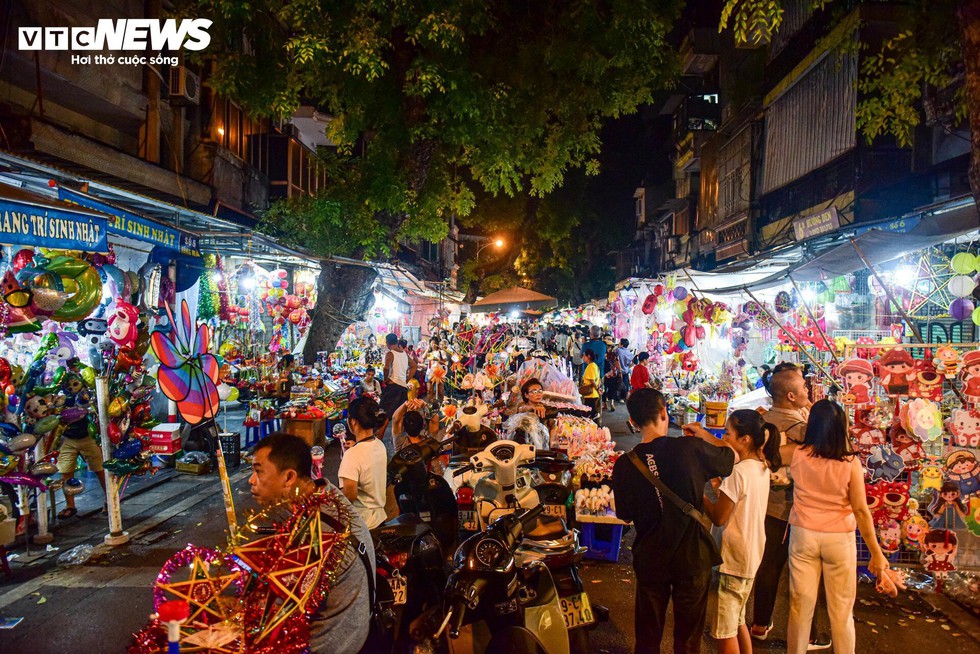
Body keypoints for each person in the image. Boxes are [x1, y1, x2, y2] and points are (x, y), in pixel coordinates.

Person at [613, 388, 736, 654]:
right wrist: (703, 434)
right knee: (688, 641)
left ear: (632, 421)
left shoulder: (625, 465)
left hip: (651, 556)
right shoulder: (690, 447)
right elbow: (729, 459)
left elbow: (624, 514)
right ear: (663, 413)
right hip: (692, 557)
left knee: (647, 638)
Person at [249, 432, 373, 654]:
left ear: (289, 477)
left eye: (258, 471)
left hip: (327, 643)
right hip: (352, 627)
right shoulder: (326, 493)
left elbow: (278, 614)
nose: (251, 480)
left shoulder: (316, 534)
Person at [786, 400, 891, 654]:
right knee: (842, 612)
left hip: (803, 536)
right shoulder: (850, 463)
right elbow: (861, 511)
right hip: (839, 539)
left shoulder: (797, 454)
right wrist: (876, 553)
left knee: (800, 607)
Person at [752, 363, 830, 649]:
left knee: (769, 566)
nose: (808, 389)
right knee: (802, 572)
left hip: (765, 505)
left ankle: (759, 623)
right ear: (791, 396)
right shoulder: (801, 429)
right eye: (803, 387)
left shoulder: (762, 421)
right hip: (791, 507)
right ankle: (807, 634)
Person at [694, 411, 774, 654]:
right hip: (750, 556)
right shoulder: (761, 467)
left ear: (745, 439)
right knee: (738, 621)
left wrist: (700, 493)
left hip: (732, 559)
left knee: (724, 631)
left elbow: (719, 517)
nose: (725, 438)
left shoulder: (738, 472)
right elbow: (739, 505)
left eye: (728, 433)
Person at [338, 397, 389, 529]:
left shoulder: (352, 455)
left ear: (353, 422)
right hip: (379, 517)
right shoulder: (379, 445)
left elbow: (350, 495)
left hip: (363, 524)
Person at [56, 406, 107, 518]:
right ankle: (70, 505)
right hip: (67, 438)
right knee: (65, 471)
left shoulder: (83, 396)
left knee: (100, 468)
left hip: (88, 435)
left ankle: (109, 499)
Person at [378, 333, 416, 449]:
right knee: (400, 414)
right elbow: (414, 366)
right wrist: (406, 379)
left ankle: (379, 440)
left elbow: (386, 368)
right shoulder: (404, 354)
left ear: (388, 343)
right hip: (402, 388)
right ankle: (397, 440)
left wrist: (385, 379)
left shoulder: (390, 353)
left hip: (392, 387)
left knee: (384, 414)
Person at [580, 348, 602, 419]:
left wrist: (598, 389)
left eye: (584, 356)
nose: (583, 358)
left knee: (589, 414)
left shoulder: (591, 366)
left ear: (588, 356)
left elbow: (592, 380)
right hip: (591, 394)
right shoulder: (592, 365)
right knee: (588, 414)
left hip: (591, 394)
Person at [616, 338, 633, 403]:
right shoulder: (629, 353)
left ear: (622, 344)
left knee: (617, 384)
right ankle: (623, 398)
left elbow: (615, 360)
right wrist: (627, 367)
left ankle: (616, 397)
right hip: (626, 371)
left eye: (619, 343)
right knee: (624, 385)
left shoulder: (618, 350)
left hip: (618, 371)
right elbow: (633, 362)